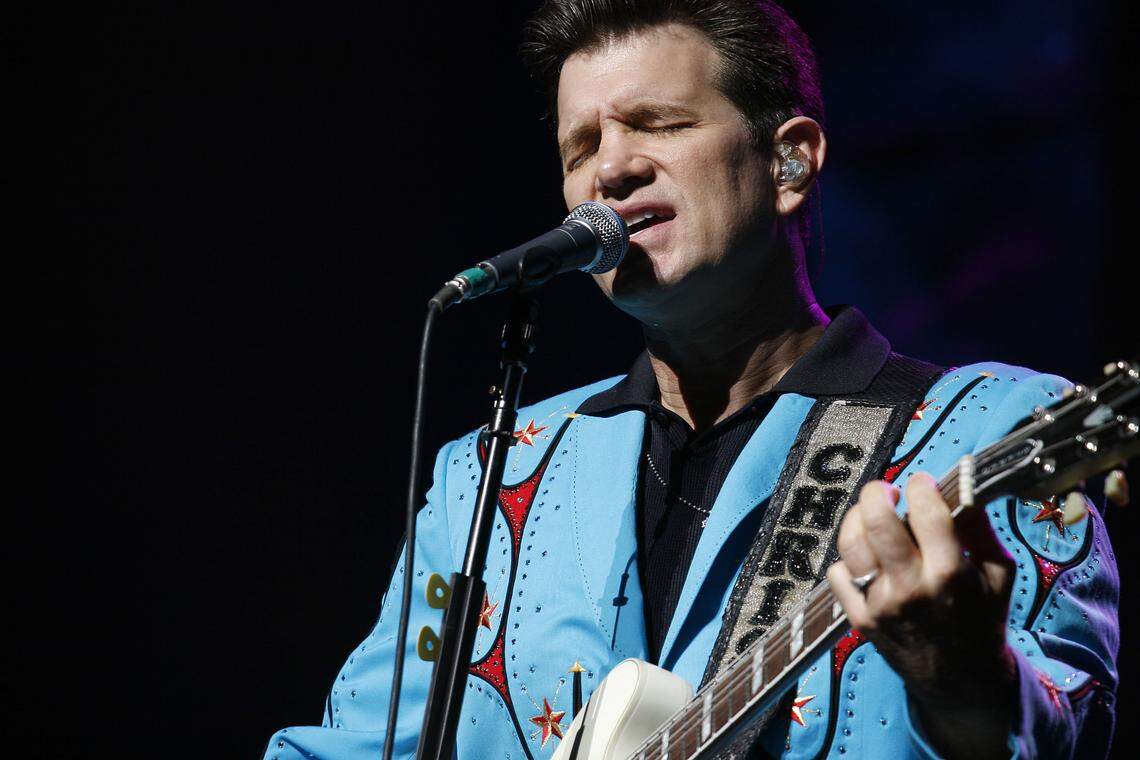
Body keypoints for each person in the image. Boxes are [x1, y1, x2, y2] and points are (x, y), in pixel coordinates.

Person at [263, 2, 1119, 758]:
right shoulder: (491, 475)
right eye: (581, 147)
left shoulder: (989, 427)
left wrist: (965, 680)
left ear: (789, 163)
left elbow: (1069, 727)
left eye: (658, 124)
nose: (610, 169)